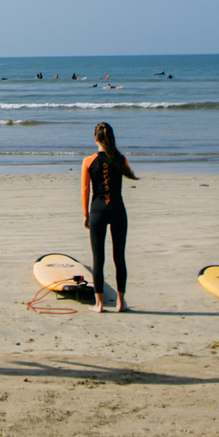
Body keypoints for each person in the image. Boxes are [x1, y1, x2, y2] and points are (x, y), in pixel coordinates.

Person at [79, 120, 136, 312]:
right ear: (111, 138)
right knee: (119, 257)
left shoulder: (88, 161)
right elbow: (128, 174)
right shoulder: (121, 159)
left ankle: (100, 303)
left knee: (99, 257)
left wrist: (85, 214)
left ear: (95, 138)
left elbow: (85, 190)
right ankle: (121, 303)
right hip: (118, 210)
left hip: (98, 211)